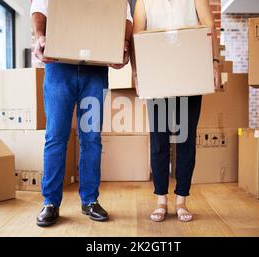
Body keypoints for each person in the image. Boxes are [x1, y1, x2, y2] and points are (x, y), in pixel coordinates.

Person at [31, 0, 133, 227]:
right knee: (56, 136)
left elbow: (124, 15)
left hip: (95, 69)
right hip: (59, 67)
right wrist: (40, 36)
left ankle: (89, 200)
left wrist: (123, 44)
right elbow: (39, 8)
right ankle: (50, 203)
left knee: (91, 137)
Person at [132, 0, 221, 222]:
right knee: (159, 140)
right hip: (157, 75)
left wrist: (214, 62)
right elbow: (136, 36)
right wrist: (136, 72)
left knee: (186, 139)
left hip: (190, 73)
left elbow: (209, 27)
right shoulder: (144, 1)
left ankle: (181, 200)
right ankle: (161, 199)